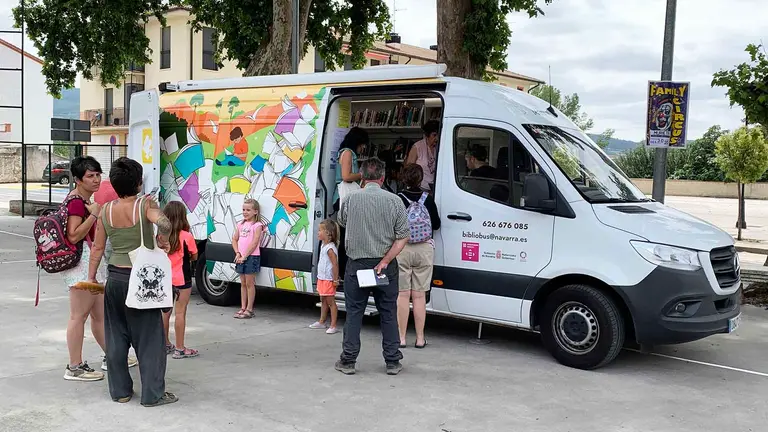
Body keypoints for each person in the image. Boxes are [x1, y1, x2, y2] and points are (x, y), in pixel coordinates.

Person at [87, 157, 177, 407]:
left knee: (116, 336)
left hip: (115, 279)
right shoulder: (145, 204)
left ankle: (121, 392)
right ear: (138, 183)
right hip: (142, 280)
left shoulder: (106, 210)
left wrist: (92, 277)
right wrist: (162, 239)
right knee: (150, 339)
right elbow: (165, 222)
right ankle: (152, 395)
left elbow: (97, 248)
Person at [61, 156, 138, 381]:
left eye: (97, 175)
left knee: (100, 315)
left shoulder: (85, 200)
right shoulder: (76, 202)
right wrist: (95, 213)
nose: (96, 180)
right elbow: (73, 235)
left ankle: (111, 355)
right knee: (79, 316)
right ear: (78, 179)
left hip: (89, 262)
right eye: (90, 176)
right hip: (80, 263)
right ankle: (74, 366)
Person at [335, 157, 410, 376]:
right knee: (388, 313)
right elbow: (403, 236)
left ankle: (348, 360)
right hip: (384, 266)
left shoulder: (351, 198)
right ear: (383, 177)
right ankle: (392, 360)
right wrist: (385, 261)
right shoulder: (395, 200)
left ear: (362, 177)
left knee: (354, 313)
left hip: (357, 264)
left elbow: (342, 221)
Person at [396, 164, 440, 349]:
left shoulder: (398, 199)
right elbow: (436, 224)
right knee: (419, 296)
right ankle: (420, 338)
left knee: (403, 295)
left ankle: (401, 338)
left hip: (402, 248)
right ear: (421, 179)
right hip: (424, 249)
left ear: (403, 178)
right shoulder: (428, 199)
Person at [161, 201, 200, 359]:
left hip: (164, 278)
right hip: (182, 279)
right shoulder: (186, 236)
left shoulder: (160, 236)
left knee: (164, 313)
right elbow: (194, 255)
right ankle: (180, 348)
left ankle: (164, 344)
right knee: (180, 312)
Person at [333, 127, 369, 279]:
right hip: (344, 197)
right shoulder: (347, 153)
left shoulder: (347, 152)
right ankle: (343, 272)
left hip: (345, 197)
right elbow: (346, 176)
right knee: (345, 237)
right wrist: (362, 175)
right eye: (363, 144)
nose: (363, 148)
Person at [232, 198, 263, 319]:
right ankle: (242, 307)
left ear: (255, 211)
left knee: (250, 283)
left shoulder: (257, 226)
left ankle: (249, 309)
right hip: (241, 258)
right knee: (243, 283)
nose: (245, 212)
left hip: (252, 257)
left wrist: (245, 256)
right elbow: (235, 239)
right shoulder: (240, 224)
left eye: (248, 210)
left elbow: (254, 243)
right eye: (244, 209)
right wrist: (237, 253)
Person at [308, 219, 341, 334]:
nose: (318, 232)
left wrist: (335, 279)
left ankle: (333, 325)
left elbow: (335, 265)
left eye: (320, 230)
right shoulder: (323, 245)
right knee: (323, 300)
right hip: (322, 278)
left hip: (328, 279)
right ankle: (322, 321)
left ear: (328, 233)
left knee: (331, 302)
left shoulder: (330, 248)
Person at [405, 120, 440, 192]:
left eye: (439, 135)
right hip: (420, 188)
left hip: (436, 188)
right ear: (427, 135)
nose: (437, 138)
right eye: (434, 135)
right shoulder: (417, 147)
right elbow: (409, 170)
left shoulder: (439, 147)